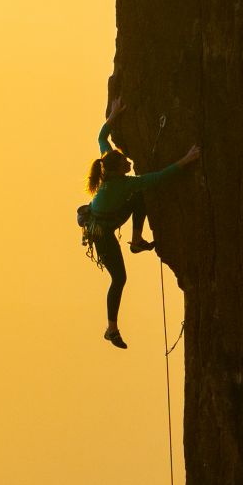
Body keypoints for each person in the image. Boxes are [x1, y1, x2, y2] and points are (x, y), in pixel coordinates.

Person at [79, 98, 200, 348]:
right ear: (119, 171)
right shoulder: (124, 184)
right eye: (126, 163)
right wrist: (187, 160)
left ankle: (136, 240)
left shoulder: (108, 163)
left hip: (105, 223)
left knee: (138, 199)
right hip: (101, 233)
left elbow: (102, 135)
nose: (129, 163)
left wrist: (114, 114)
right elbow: (158, 177)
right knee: (119, 279)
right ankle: (111, 329)